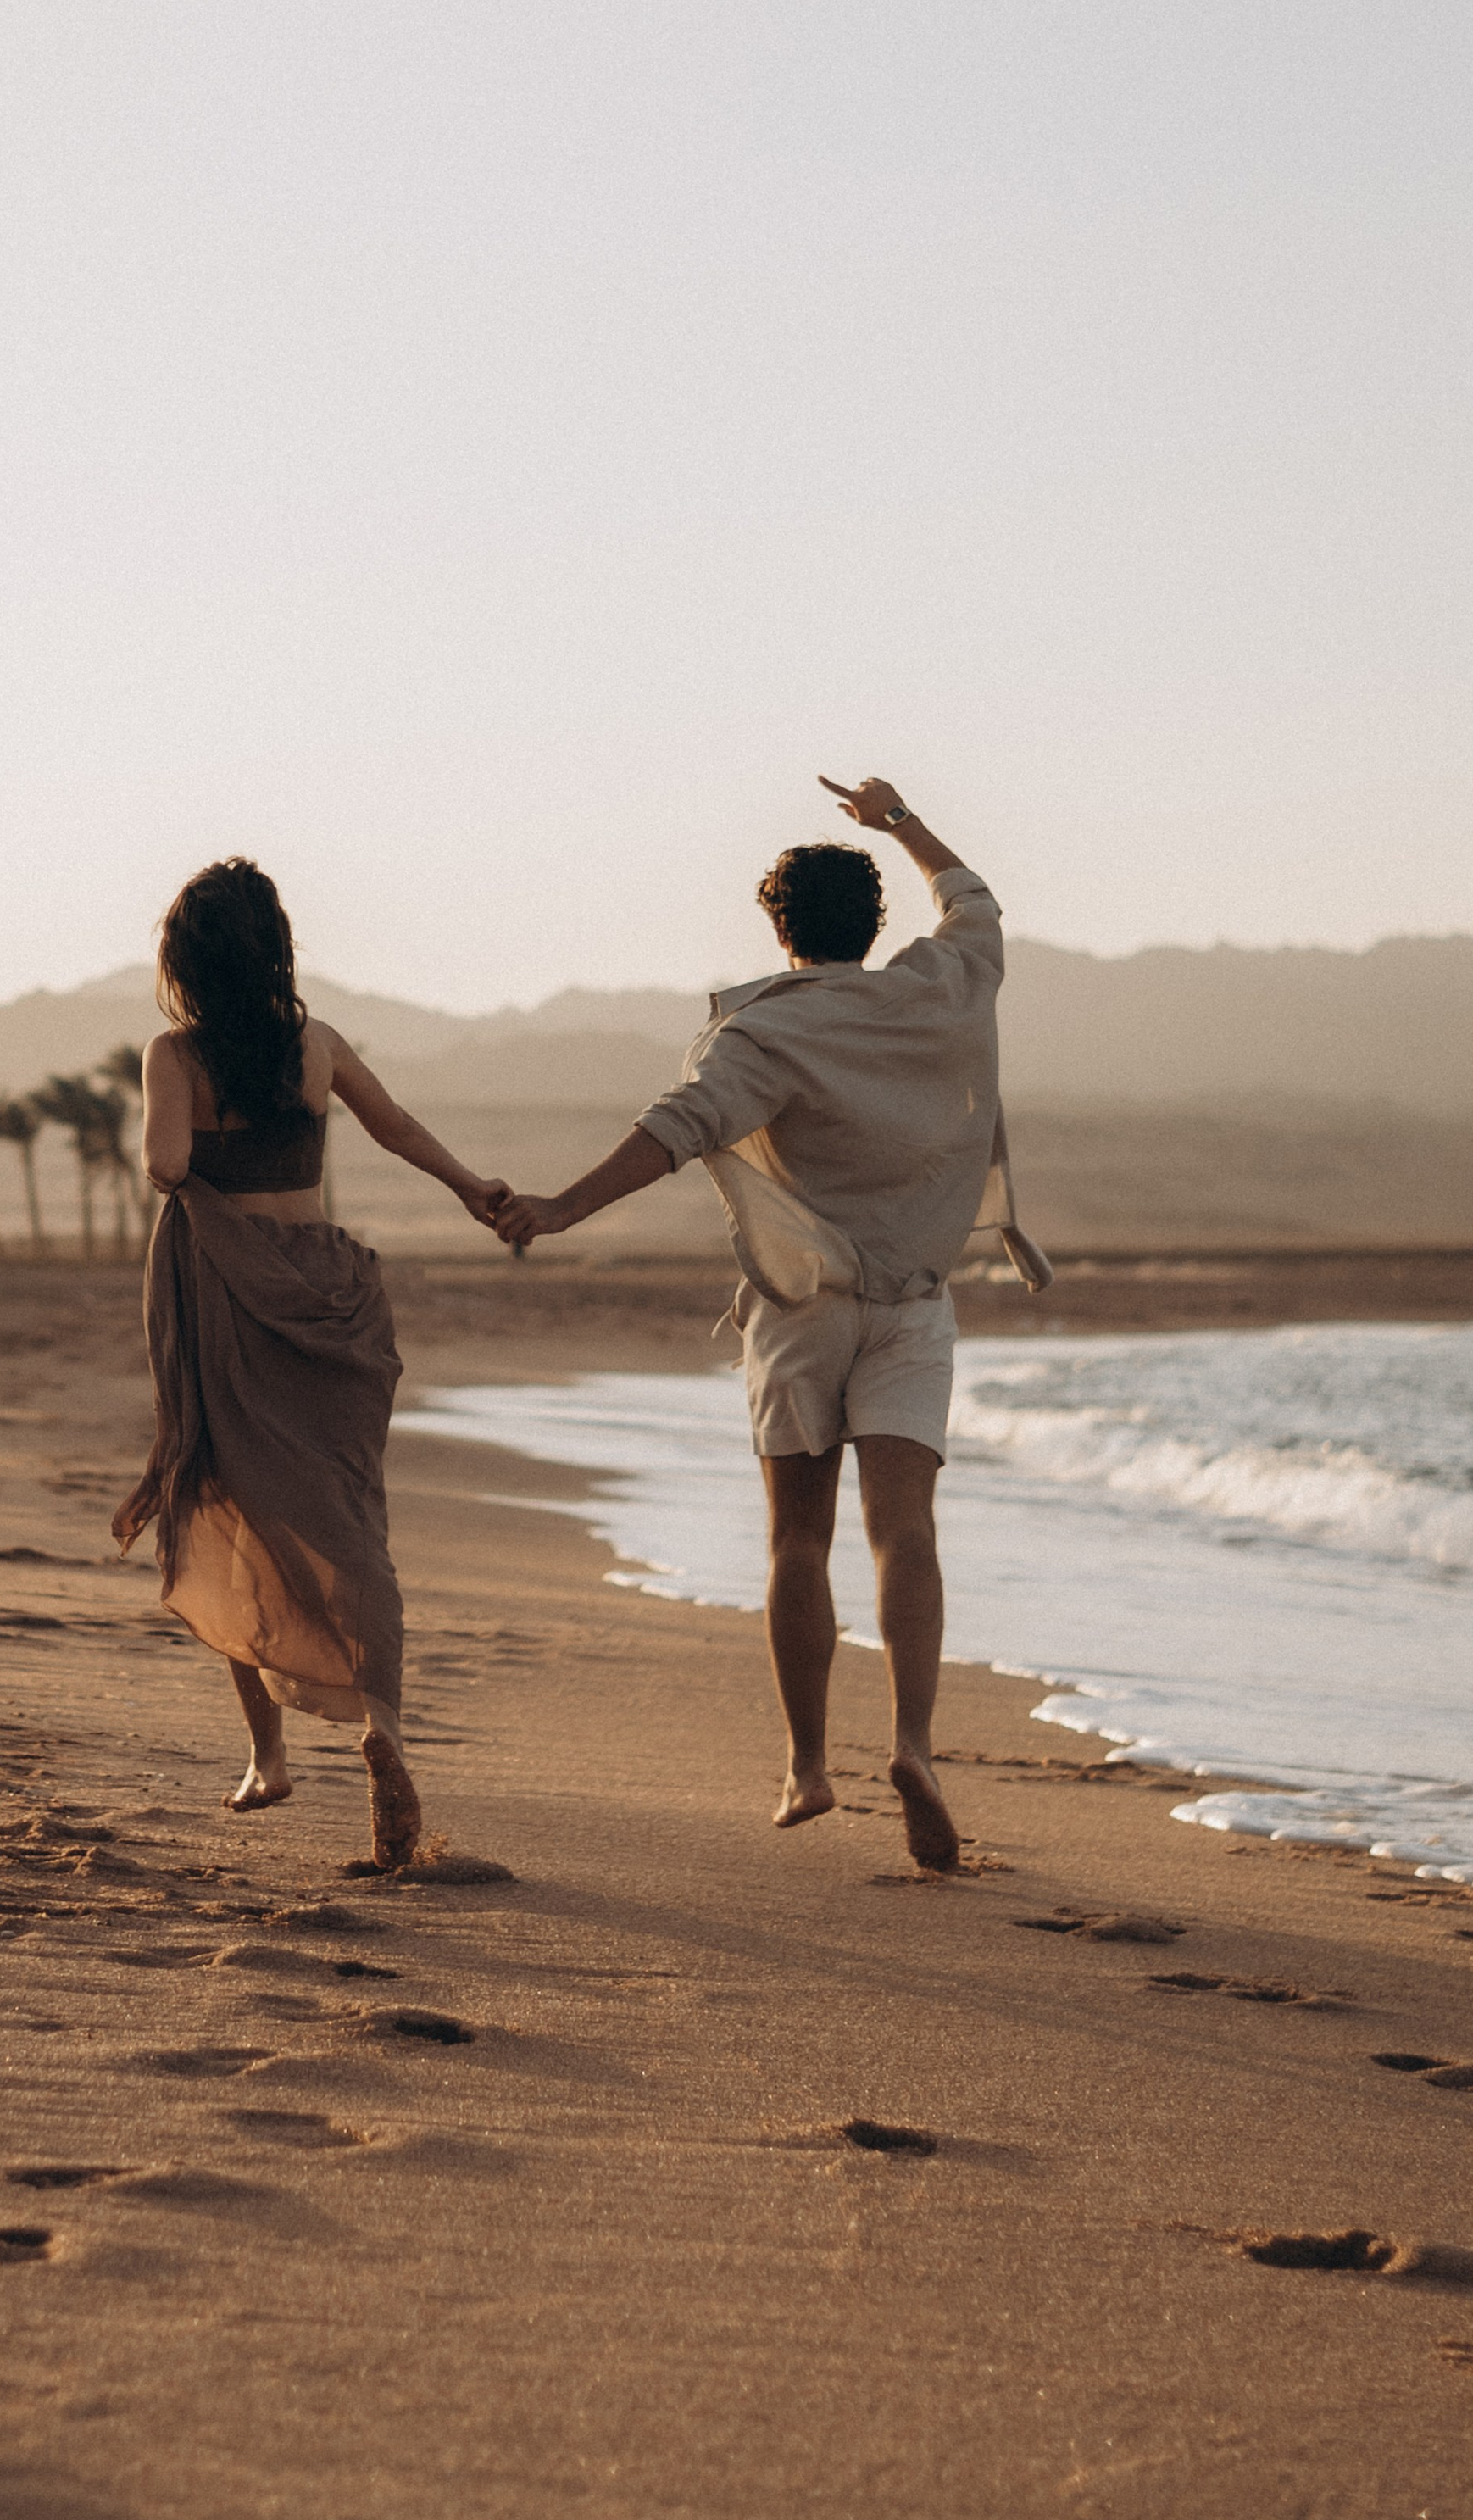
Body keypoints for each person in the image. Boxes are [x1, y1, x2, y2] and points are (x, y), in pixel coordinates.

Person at [492, 776, 1048, 1872]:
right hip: (914, 1309)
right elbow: (974, 899)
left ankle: (805, 1766)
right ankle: (916, 1746)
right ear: (876, 923)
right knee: (909, 1536)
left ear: (779, 926)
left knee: (801, 1537)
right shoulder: (944, 986)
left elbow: (675, 1129)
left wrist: (558, 1207)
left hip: (800, 1315)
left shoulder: (762, 1030)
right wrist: (897, 822)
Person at [114, 858, 505, 1864]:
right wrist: (472, 1188)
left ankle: (268, 1755)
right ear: (273, 946)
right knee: (348, 1513)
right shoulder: (316, 1043)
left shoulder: (174, 1054)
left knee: (226, 1498)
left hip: (230, 1297)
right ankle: (383, 1726)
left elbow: (163, 1165)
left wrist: (183, 1145)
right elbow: (398, 1127)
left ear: (183, 961)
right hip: (330, 1292)